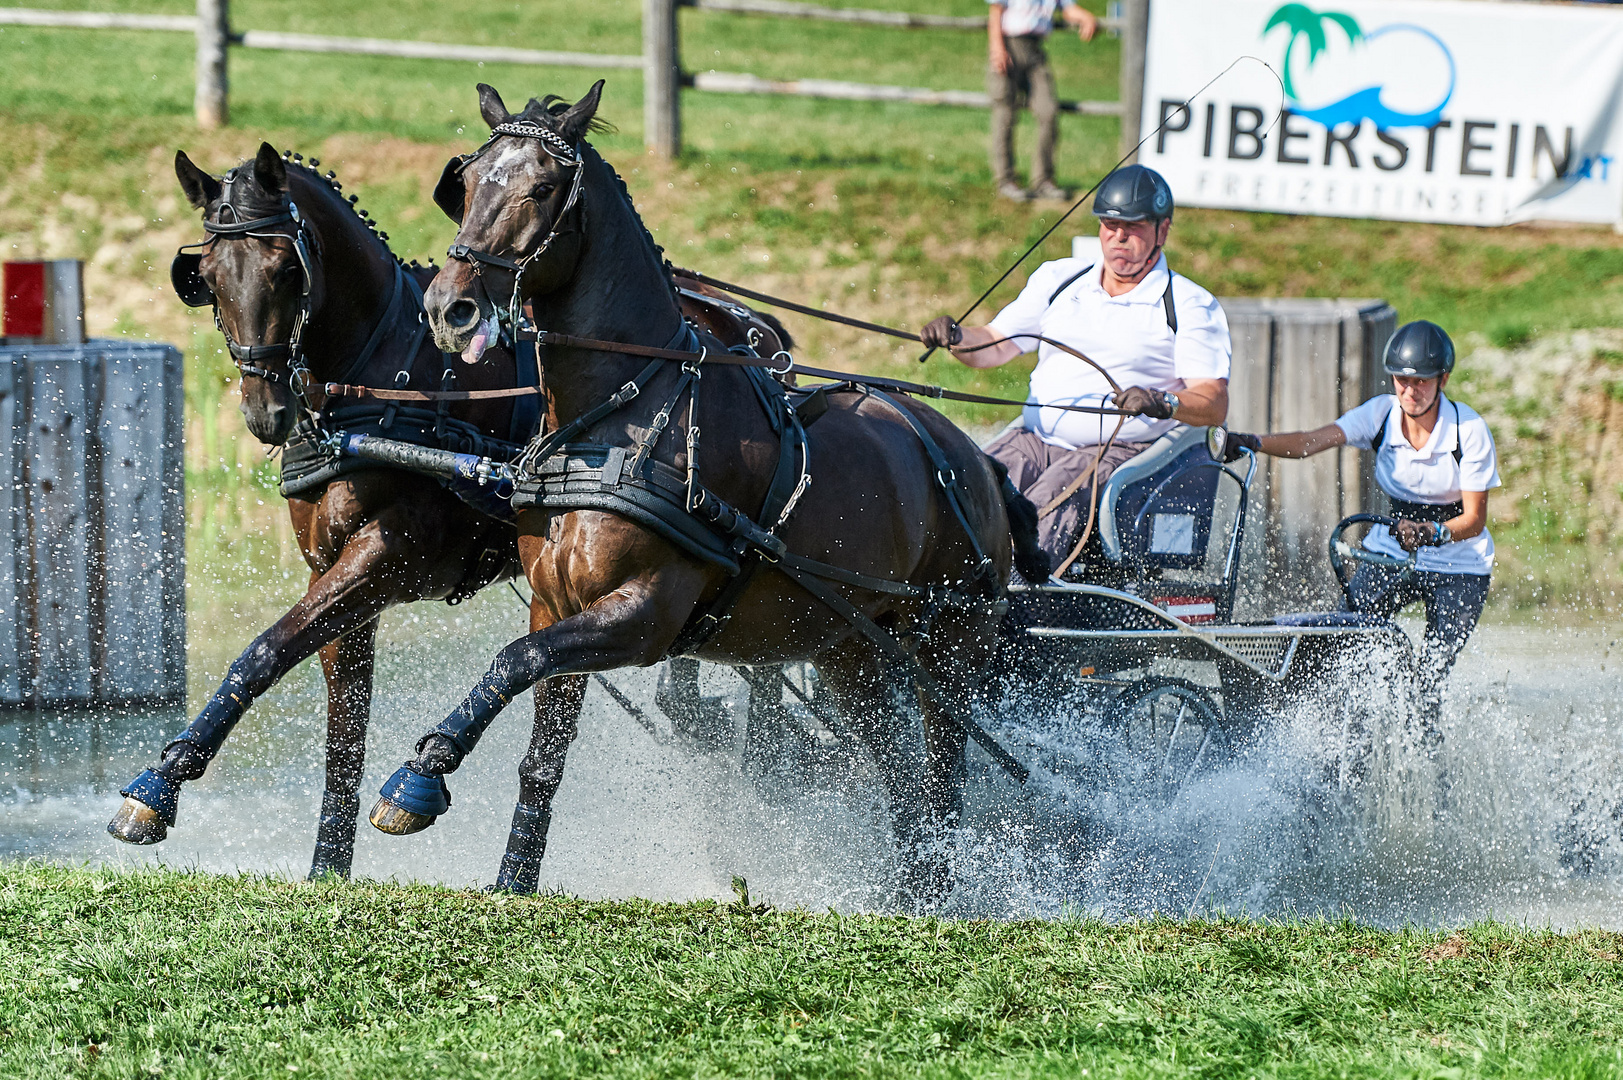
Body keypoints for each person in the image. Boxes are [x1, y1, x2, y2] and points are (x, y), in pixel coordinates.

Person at [921, 164, 1231, 575]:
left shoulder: (1189, 304)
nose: (1118, 238)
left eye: (1134, 228)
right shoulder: (1060, 279)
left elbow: (1213, 401)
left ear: (1163, 229)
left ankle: (1013, 615)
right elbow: (994, 346)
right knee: (964, 490)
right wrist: (958, 338)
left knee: (1035, 508)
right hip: (1034, 438)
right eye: (1109, 225)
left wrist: (1162, 400)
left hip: (1120, 451)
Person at [1222, 320, 1499, 756]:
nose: (1411, 392)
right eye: (1402, 381)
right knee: (1336, 640)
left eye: (1422, 382)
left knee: (1429, 679)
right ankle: (1330, 743)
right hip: (1391, 551)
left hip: (1459, 565)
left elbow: (1476, 519)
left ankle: (1427, 764)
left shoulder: (1470, 430)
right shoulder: (1381, 413)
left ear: (1443, 380)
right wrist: (1252, 441)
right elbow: (1312, 442)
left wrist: (1430, 532)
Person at [988, 0, 1098, 201]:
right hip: (1009, 44)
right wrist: (997, 48)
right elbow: (996, 10)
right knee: (1005, 114)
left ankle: (1043, 179)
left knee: (1048, 111)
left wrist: (1086, 17)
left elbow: (1068, 9)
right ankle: (1005, 179)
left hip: (1035, 48)